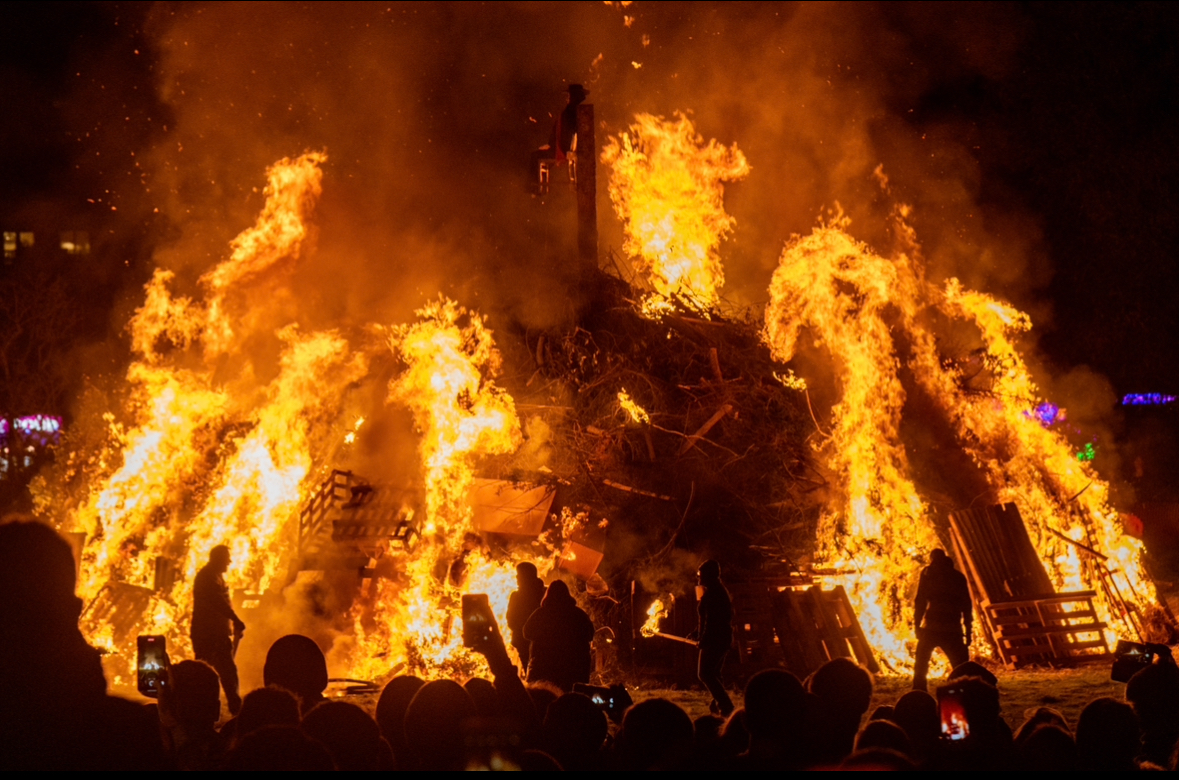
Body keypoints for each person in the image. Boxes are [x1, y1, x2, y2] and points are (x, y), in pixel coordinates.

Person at [191, 545, 246, 714]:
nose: (229, 561)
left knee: (225, 672)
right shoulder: (207, 577)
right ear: (217, 558)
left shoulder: (215, 576)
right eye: (226, 558)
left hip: (216, 634)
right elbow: (217, 602)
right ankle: (199, 709)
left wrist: (231, 626)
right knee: (210, 674)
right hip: (207, 635)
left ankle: (229, 707)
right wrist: (235, 619)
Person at [911, 548, 972, 691]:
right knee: (960, 666)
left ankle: (919, 692)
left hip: (932, 628)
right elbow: (966, 606)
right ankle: (964, 691)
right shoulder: (958, 577)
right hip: (953, 629)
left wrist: (917, 625)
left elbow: (920, 601)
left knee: (921, 664)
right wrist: (968, 630)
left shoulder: (928, 574)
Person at [523, 580, 595, 692]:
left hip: (544, 666)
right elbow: (590, 635)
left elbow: (527, 633)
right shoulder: (578, 614)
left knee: (544, 699)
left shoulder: (541, 614)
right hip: (573, 668)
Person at [692, 559, 735, 716]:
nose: (699, 578)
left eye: (701, 575)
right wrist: (697, 632)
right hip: (719, 638)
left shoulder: (716, 593)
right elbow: (705, 618)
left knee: (705, 673)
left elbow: (713, 621)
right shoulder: (713, 591)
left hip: (716, 639)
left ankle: (726, 706)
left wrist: (704, 639)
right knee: (714, 673)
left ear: (709, 575)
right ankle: (718, 705)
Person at [531, 84, 589, 194]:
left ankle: (536, 190)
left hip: (561, 150)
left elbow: (564, 135)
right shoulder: (575, 111)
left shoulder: (569, 112)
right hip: (562, 148)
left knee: (535, 156)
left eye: (568, 95)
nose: (566, 98)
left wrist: (552, 146)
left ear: (572, 97)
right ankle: (536, 189)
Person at [506, 562, 546, 670]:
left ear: (525, 576)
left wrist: (520, 631)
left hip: (524, 642)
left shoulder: (516, 597)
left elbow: (510, 619)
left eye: (519, 575)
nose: (517, 577)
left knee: (531, 673)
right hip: (545, 644)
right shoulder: (545, 593)